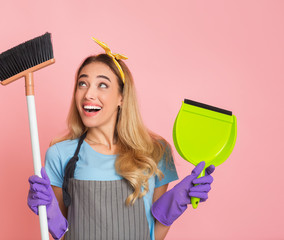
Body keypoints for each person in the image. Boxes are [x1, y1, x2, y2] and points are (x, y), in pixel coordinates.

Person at [27, 38, 215, 240]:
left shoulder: (155, 152)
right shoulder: (60, 154)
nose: (88, 94)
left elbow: (151, 235)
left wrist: (176, 203)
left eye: (102, 85)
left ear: (121, 98)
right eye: (82, 83)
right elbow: (64, 235)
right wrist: (51, 216)